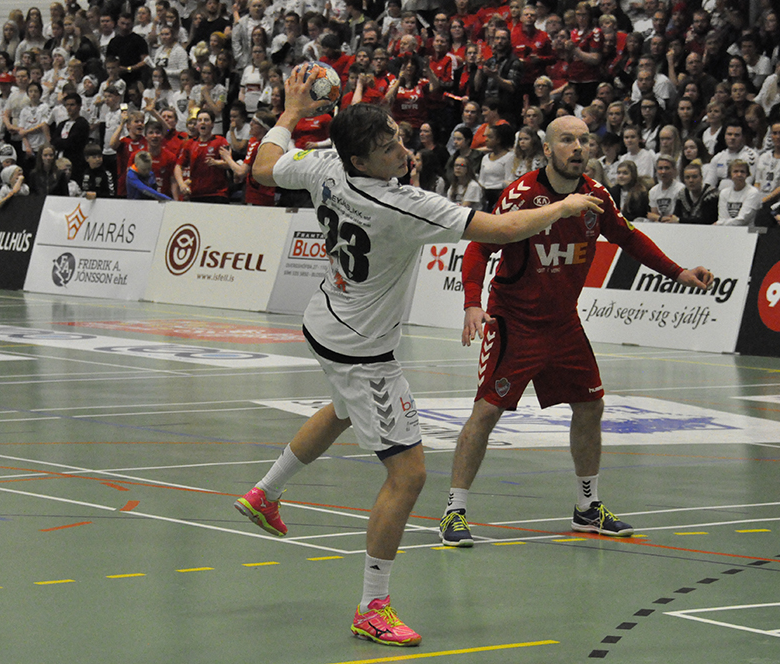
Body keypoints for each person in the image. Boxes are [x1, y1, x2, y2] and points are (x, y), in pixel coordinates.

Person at [233, 64, 607, 648]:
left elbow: (262, 166)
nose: (402, 152)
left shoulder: (325, 165)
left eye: (398, 137)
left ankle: (266, 492)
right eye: (389, 149)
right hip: (363, 351)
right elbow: (501, 229)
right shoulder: (401, 203)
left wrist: (290, 112)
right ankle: (372, 607)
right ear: (361, 160)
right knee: (408, 474)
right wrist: (561, 208)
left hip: (326, 320)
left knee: (342, 410)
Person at [437, 115, 713, 549]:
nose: (578, 147)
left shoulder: (596, 195)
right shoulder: (522, 195)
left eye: (584, 140)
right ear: (547, 150)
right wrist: (473, 302)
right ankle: (454, 511)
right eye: (567, 140)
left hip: (563, 323)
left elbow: (629, 238)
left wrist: (678, 272)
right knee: (486, 412)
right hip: (515, 322)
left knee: (590, 406)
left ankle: (588, 507)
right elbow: (479, 247)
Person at [716, 159, 761, 225]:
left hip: (748, 230)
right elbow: (722, 218)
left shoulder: (753, 192)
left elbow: (742, 220)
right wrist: (721, 224)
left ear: (747, 174)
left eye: (742, 172)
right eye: (735, 171)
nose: (739, 174)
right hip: (726, 230)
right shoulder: (724, 193)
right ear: (730, 174)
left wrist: (719, 224)